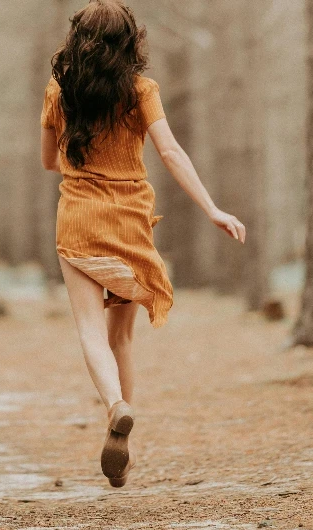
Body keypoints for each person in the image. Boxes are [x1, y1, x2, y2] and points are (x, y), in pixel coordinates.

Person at [41, 0, 246, 488]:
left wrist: (80, 154)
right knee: (122, 337)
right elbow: (170, 151)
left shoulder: (58, 91)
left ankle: (116, 407)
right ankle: (123, 448)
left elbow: (49, 161)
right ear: (129, 41)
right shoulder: (140, 91)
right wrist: (212, 208)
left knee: (91, 333)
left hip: (78, 222)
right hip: (130, 222)